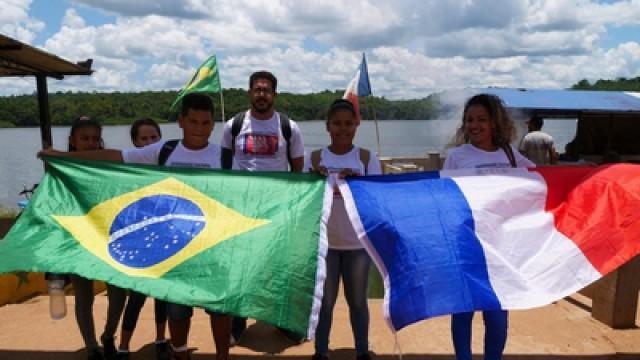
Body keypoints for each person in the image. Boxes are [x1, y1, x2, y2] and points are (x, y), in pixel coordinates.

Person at [40, 94, 232, 360]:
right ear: (181, 121)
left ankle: (223, 356)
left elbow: (264, 184)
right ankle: (180, 354)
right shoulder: (163, 151)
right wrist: (62, 156)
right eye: (193, 121)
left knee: (220, 309)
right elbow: (114, 156)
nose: (199, 128)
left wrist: (308, 177)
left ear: (213, 125)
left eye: (205, 123)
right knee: (177, 313)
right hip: (175, 250)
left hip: (212, 247)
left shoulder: (226, 157)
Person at [443, 94, 534, 360]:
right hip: (466, 242)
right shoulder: (457, 156)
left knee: (496, 312)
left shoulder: (510, 154)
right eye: (470, 120)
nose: (475, 125)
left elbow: (540, 178)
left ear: (495, 122)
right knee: (464, 308)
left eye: (482, 119)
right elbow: (445, 196)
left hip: (501, 245)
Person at [220, 70, 305, 344]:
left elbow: (298, 169)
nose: (261, 95)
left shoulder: (288, 127)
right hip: (243, 210)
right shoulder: (233, 126)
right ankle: (237, 322)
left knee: (279, 267)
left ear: (274, 95)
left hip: (277, 211)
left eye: (266, 90)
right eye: (257, 89)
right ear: (249, 93)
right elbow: (223, 169)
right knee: (241, 266)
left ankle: (283, 321)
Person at [306, 99, 380, 360]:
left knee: (358, 301)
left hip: (357, 244)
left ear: (356, 125)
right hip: (326, 243)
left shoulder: (366, 159)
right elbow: (305, 202)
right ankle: (321, 351)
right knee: (325, 303)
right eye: (337, 123)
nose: (343, 129)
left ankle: (362, 350)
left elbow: (377, 200)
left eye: (348, 123)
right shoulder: (315, 158)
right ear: (328, 126)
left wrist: (359, 185)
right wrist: (315, 181)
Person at [66, 116, 127, 360]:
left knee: (118, 293)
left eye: (95, 139)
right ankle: (91, 347)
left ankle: (108, 335)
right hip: (77, 239)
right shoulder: (63, 167)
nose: (90, 143)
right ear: (73, 140)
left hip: (108, 237)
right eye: (84, 138)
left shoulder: (109, 165)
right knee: (84, 296)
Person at [115, 118, 169, 360]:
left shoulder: (170, 166)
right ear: (135, 142)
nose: (149, 142)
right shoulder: (129, 173)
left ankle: (160, 340)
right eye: (143, 138)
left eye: (153, 137)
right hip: (139, 241)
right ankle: (124, 347)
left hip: (165, 239)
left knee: (162, 297)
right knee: (136, 298)